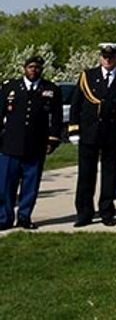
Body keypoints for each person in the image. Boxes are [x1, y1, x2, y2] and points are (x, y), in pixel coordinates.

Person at [73, 42, 116, 227]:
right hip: (89, 133)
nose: (108, 60)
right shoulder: (88, 76)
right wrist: (74, 130)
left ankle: (107, 211)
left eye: (112, 57)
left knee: (110, 175)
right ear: (100, 57)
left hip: (113, 134)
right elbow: (77, 104)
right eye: (105, 57)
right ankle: (84, 213)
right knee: (86, 175)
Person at [0, 55, 63, 230]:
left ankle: (24, 217)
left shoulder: (50, 89)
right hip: (10, 145)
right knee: (6, 185)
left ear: (42, 69)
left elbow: (56, 117)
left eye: (37, 67)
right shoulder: (10, 88)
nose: (34, 70)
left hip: (36, 145)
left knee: (30, 185)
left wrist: (53, 139)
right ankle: (4, 218)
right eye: (30, 67)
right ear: (24, 68)